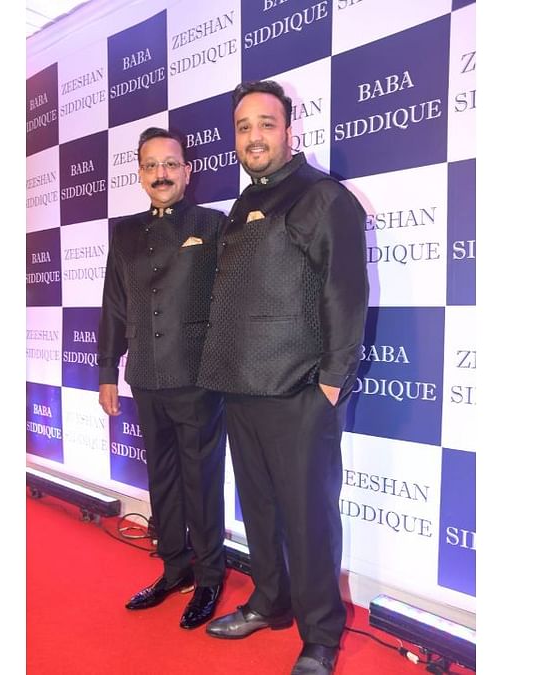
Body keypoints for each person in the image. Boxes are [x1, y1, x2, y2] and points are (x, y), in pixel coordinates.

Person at [197, 81, 368, 675]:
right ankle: (269, 601)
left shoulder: (322, 197)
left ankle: (321, 635)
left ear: (289, 128)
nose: (254, 137)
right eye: (243, 128)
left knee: (308, 516)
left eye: (265, 124)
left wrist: (331, 380)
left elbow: (346, 294)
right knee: (260, 509)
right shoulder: (244, 204)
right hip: (241, 386)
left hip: (299, 391)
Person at [97, 126, 227, 630]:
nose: (161, 174)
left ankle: (212, 576)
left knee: (202, 480)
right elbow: (113, 303)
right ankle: (175, 569)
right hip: (145, 376)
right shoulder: (124, 231)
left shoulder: (212, 225)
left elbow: (230, 299)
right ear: (140, 175)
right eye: (151, 166)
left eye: (170, 164)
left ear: (186, 171)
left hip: (197, 376)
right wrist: (108, 370)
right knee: (163, 480)